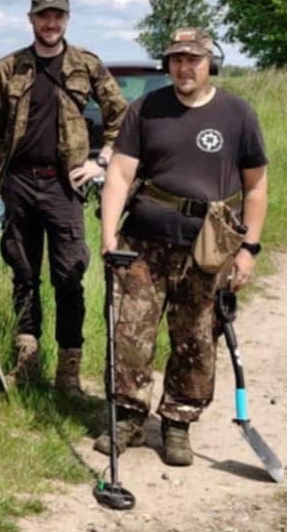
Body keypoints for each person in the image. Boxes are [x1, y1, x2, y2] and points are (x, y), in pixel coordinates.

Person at [96, 28, 268, 467]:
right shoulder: (147, 109)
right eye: (176, 59)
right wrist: (109, 234)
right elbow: (118, 174)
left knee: (195, 337)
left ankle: (177, 422)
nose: (184, 67)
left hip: (207, 245)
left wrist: (248, 249)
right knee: (130, 332)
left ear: (210, 61)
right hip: (144, 241)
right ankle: (129, 418)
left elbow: (255, 188)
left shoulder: (238, 114)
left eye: (192, 59)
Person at [0, 0, 127, 394]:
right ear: (31, 19)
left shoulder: (86, 64)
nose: (51, 23)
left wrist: (101, 160)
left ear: (67, 19)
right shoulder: (10, 67)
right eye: (44, 16)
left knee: (68, 277)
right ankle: (26, 364)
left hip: (64, 186)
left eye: (58, 16)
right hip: (19, 184)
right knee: (23, 275)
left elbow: (121, 116)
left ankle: (68, 372)